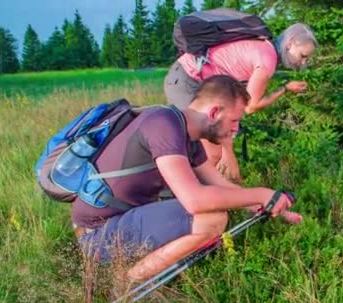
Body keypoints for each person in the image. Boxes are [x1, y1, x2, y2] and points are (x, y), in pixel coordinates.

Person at [72, 75, 302, 282]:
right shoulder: (163, 124)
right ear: (214, 113)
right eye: (234, 121)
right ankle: (127, 281)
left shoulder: (187, 136)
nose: (236, 129)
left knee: (214, 212)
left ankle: (136, 273)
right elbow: (195, 201)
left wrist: (273, 205)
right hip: (97, 237)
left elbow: (223, 187)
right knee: (212, 219)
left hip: (119, 223)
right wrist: (261, 193)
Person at [164, 23, 318, 182]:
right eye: (303, 56)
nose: (303, 63)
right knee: (208, 153)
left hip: (190, 80)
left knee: (210, 151)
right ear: (290, 43)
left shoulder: (263, 45)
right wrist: (284, 89)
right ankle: (191, 196)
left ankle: (212, 196)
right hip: (187, 80)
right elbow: (251, 106)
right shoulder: (267, 59)